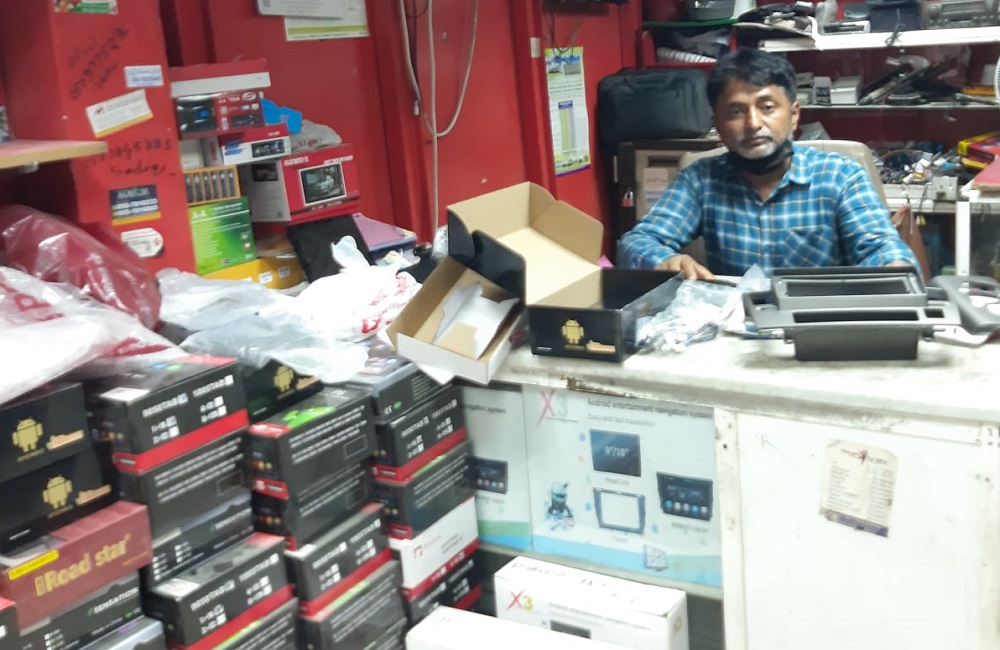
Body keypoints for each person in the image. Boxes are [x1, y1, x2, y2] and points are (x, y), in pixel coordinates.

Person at [617, 47, 918, 280]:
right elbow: (637, 242)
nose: (753, 123)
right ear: (717, 124)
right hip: (733, 326)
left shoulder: (841, 176)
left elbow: (880, 246)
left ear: (794, 115)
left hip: (817, 322)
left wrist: (893, 266)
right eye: (736, 112)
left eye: (767, 107)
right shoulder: (700, 180)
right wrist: (665, 261)